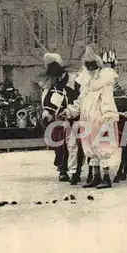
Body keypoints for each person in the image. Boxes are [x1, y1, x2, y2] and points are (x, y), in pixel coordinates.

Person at [64, 46, 119, 189]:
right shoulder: (86, 85)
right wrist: (70, 111)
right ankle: (96, 177)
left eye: (92, 67)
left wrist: (108, 116)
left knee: (102, 146)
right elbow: (80, 101)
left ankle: (106, 178)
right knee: (89, 146)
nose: (90, 70)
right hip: (87, 119)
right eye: (87, 67)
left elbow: (107, 100)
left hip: (99, 119)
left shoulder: (104, 82)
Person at [41, 52, 85, 184]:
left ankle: (73, 168)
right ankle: (62, 167)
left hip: (74, 113)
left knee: (74, 141)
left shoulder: (73, 79)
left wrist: (70, 110)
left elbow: (80, 96)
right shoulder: (49, 82)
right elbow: (46, 99)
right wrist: (47, 111)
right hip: (56, 115)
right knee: (58, 139)